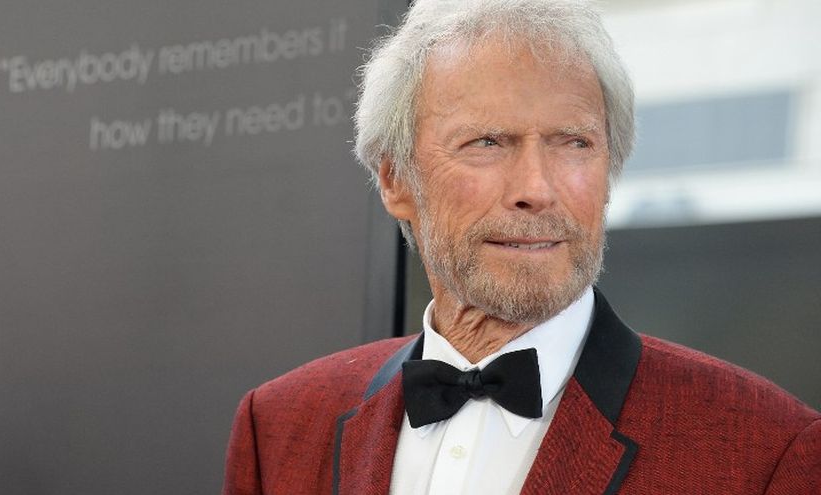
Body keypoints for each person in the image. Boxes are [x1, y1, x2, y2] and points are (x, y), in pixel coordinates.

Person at [222, 1, 820, 493]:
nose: (536, 189)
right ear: (395, 180)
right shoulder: (278, 426)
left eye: (574, 142)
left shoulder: (767, 449)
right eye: (487, 142)